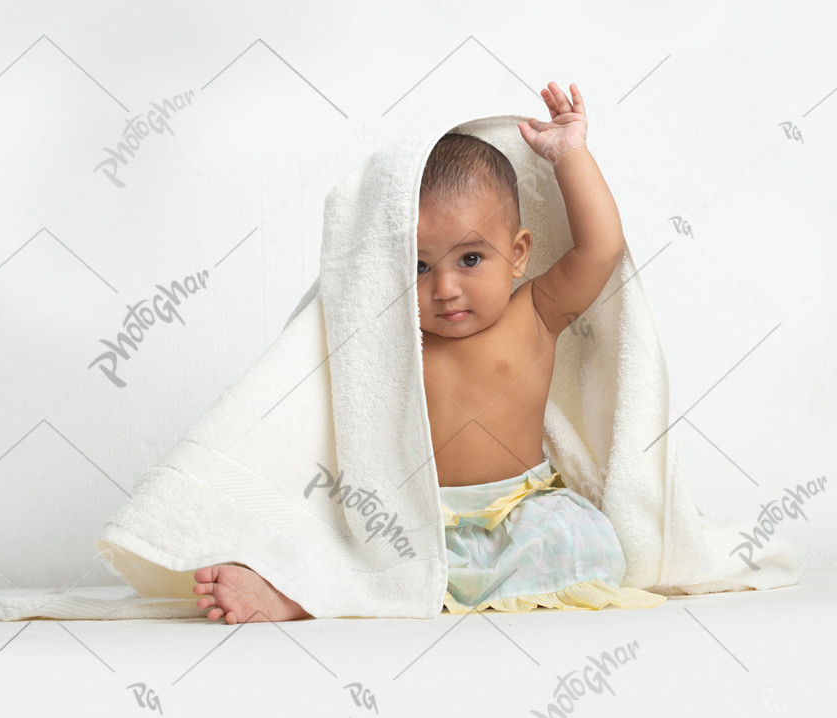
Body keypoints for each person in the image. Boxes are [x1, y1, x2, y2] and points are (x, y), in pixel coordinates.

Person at [192, 81, 666, 623]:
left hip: (520, 512)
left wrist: (571, 155)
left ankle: (438, 589)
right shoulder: (388, 339)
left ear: (517, 254)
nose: (444, 288)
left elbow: (600, 246)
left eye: (470, 258)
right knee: (348, 550)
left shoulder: (534, 314)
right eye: (419, 267)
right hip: (416, 524)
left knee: (575, 540)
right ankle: (300, 596)